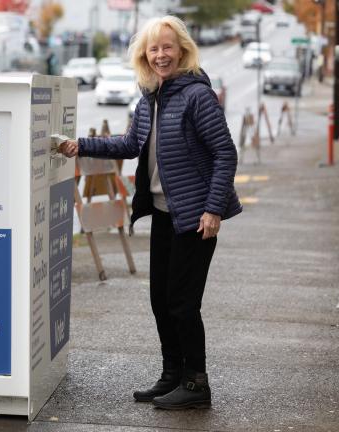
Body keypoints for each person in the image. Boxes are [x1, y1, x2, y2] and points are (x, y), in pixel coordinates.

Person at [58, 16, 242, 410]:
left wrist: (213, 210)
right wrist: (80, 145)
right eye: (153, 48)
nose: (161, 55)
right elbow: (129, 144)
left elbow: (225, 153)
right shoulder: (150, 99)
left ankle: (196, 383)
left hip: (195, 217)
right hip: (164, 213)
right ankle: (172, 374)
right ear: (145, 55)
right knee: (160, 298)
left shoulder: (197, 96)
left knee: (182, 301)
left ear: (183, 50)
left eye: (168, 47)